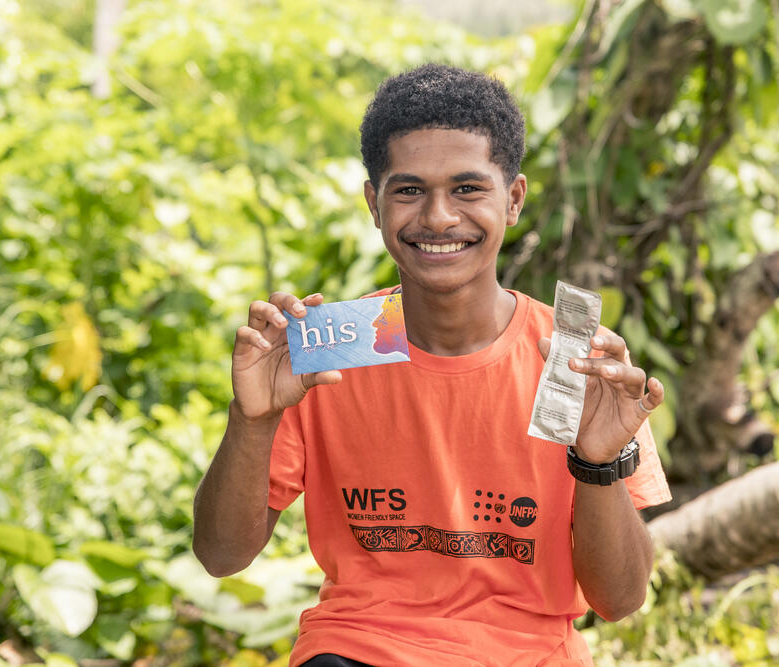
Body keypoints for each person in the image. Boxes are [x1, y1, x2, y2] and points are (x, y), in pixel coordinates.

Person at [193, 63, 671, 666]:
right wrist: (252, 419)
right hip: (358, 649)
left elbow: (620, 599)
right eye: (410, 189)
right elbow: (221, 556)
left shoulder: (573, 359)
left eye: (468, 189)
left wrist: (597, 463)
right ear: (374, 203)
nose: (439, 217)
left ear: (514, 199)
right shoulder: (330, 349)